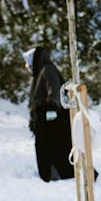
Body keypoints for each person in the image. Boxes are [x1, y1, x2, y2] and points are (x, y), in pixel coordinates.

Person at [23, 46, 75, 182]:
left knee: (55, 149)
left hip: (52, 120)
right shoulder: (40, 72)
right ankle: (50, 174)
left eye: (28, 63)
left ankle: (54, 175)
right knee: (48, 149)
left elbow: (54, 92)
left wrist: (50, 114)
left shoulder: (48, 70)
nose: (27, 66)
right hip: (45, 119)